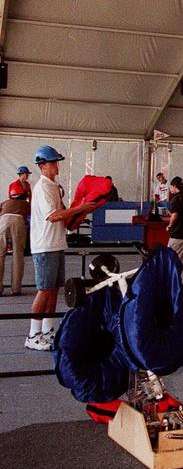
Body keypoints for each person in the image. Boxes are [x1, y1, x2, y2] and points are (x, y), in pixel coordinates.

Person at [26, 145, 98, 351]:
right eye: (52, 163)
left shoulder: (52, 186)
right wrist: (82, 208)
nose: (56, 166)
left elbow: (62, 214)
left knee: (53, 290)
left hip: (55, 244)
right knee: (44, 290)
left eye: (57, 162)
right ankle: (33, 334)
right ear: (42, 165)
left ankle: (47, 330)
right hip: (45, 245)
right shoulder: (42, 188)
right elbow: (53, 216)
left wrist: (78, 210)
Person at [0, 180, 29, 295]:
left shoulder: (5, 202)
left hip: (3, 221)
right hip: (18, 221)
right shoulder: (26, 204)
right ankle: (16, 289)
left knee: (0, 255)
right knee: (17, 255)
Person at [165, 176, 183, 278]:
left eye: (171, 187)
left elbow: (175, 215)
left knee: (172, 259)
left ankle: (173, 281)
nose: (170, 189)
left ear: (175, 186)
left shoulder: (177, 199)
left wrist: (170, 225)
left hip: (177, 234)